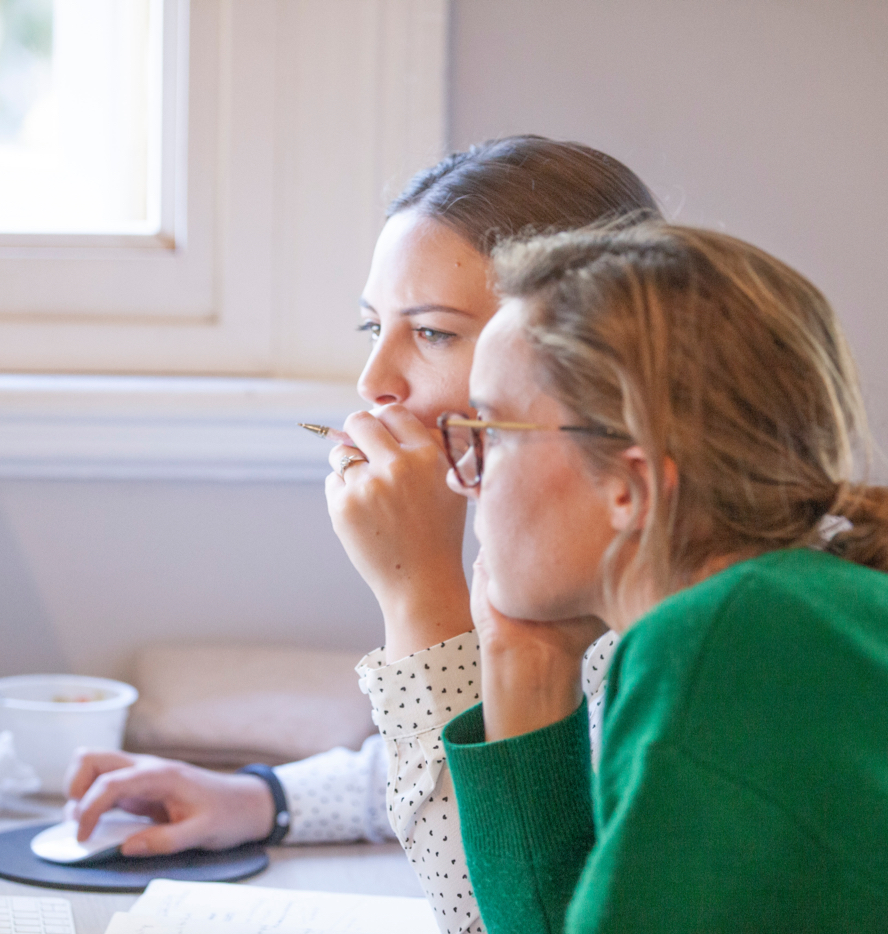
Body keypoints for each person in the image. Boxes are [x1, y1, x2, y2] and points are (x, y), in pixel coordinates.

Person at [65, 137, 660, 933]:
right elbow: (511, 755)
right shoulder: (565, 541)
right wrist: (267, 798)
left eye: (434, 334)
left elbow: (490, 909)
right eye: (372, 326)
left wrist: (418, 595)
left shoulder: (673, 629)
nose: (372, 382)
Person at [438, 222, 888, 933]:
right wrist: (523, 661)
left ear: (630, 483)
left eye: (491, 432)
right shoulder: (792, 615)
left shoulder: (724, 641)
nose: (462, 475)